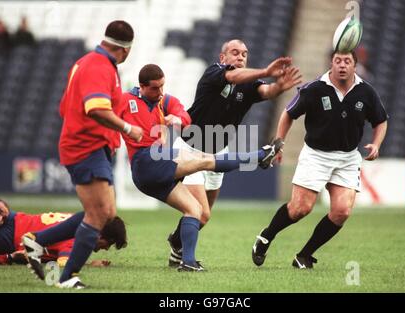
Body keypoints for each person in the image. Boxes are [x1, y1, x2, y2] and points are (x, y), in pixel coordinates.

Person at [118, 64, 283, 271]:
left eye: (162, 86)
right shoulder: (125, 100)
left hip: (155, 168)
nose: (160, 92)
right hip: (145, 162)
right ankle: (259, 156)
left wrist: (178, 119)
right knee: (204, 160)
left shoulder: (164, 100)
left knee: (196, 210)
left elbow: (185, 115)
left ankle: (187, 262)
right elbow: (104, 116)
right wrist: (121, 132)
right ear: (141, 86)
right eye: (155, 88)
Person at [21, 20, 143, 289]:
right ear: (126, 49)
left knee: (104, 212)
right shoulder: (100, 67)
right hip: (86, 146)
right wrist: (127, 128)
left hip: (90, 145)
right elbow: (96, 108)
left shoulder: (86, 63)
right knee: (100, 215)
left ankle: (38, 241)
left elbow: (65, 107)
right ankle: (66, 277)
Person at [166, 39, 302, 267]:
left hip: (217, 154)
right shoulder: (214, 72)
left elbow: (267, 91)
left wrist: (279, 86)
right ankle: (186, 260)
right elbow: (233, 77)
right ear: (223, 58)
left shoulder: (248, 85)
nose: (240, 57)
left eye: (244, 54)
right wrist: (267, 71)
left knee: (202, 217)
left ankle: (176, 244)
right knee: (202, 213)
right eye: (235, 53)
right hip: (190, 150)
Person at [251, 50, 388, 269]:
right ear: (331, 64)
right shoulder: (314, 89)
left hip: (347, 158)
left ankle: (304, 255)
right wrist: (279, 143)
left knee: (342, 211)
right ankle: (266, 236)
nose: (342, 65)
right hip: (316, 155)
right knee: (300, 209)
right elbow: (288, 113)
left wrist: (377, 144)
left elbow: (381, 120)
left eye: (347, 61)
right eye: (338, 61)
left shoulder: (366, 92)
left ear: (355, 65)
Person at [0, 199, 127, 267]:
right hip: (11, 237)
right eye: (108, 243)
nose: (106, 248)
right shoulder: (79, 238)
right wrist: (89, 265)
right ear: (99, 234)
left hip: (16, 218)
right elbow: (64, 263)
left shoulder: (77, 220)